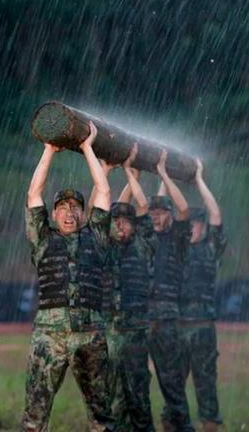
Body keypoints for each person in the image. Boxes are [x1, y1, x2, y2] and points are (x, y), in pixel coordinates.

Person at [22, 121, 114, 432]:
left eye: (76, 207)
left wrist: (87, 146)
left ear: (83, 214)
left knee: (101, 415)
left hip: (91, 333)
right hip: (49, 334)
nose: (70, 213)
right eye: (62, 207)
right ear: (54, 213)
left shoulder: (97, 236)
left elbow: (103, 190)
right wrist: (49, 150)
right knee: (35, 414)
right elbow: (34, 192)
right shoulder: (42, 237)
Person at [103, 145, 155, 431]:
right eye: (117, 223)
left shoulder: (144, 244)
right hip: (111, 331)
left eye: (126, 223)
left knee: (139, 396)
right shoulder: (107, 247)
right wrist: (122, 173)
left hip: (135, 333)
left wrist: (128, 171)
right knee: (113, 397)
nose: (121, 227)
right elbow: (104, 211)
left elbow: (143, 208)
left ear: (135, 227)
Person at [144, 151, 193, 432]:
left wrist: (163, 173)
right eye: (152, 212)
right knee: (136, 380)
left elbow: (184, 210)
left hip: (166, 318)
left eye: (161, 212)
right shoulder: (145, 238)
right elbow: (139, 207)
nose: (155, 216)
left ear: (169, 217)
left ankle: (181, 426)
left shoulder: (178, 239)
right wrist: (137, 173)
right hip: (140, 317)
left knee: (172, 381)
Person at [178, 159, 226, 432]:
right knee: (174, 380)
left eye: (196, 225)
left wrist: (198, 181)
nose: (192, 229)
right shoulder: (173, 249)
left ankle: (209, 423)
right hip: (177, 324)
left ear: (203, 228)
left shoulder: (211, 250)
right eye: (189, 226)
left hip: (203, 326)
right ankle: (174, 422)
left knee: (205, 378)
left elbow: (216, 214)